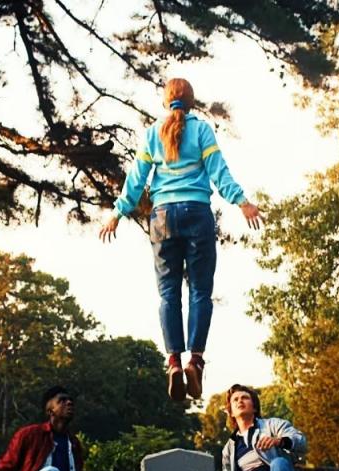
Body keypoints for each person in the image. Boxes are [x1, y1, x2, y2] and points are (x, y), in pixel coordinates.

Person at [98, 77, 263, 401]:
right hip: (197, 214)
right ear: (191, 102)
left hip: (162, 219)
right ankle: (196, 362)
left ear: (166, 102)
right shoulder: (201, 130)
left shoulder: (152, 134)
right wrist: (242, 202)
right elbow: (219, 172)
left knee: (168, 294)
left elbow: (135, 181)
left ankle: (173, 361)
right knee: (200, 291)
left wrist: (117, 213)